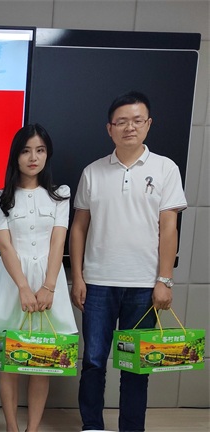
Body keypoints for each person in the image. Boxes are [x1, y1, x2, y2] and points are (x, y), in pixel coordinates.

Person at [70, 91, 187, 431]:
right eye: (121, 122)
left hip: (143, 286)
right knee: (93, 362)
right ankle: (92, 426)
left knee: (136, 367)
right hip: (98, 284)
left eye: (137, 120)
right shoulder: (93, 172)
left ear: (148, 124)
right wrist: (78, 277)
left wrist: (164, 280)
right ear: (110, 128)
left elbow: (169, 228)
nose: (129, 127)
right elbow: (78, 228)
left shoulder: (165, 168)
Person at [0, 124, 77, 432]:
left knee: (42, 362)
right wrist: (23, 287)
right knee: (10, 363)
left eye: (40, 150)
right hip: (12, 283)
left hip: (50, 281)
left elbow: (58, 242)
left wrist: (48, 287)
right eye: (26, 151)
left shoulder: (60, 195)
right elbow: (4, 245)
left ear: (47, 154)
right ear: (15, 156)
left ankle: (32, 429)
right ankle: (12, 426)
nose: (33, 158)